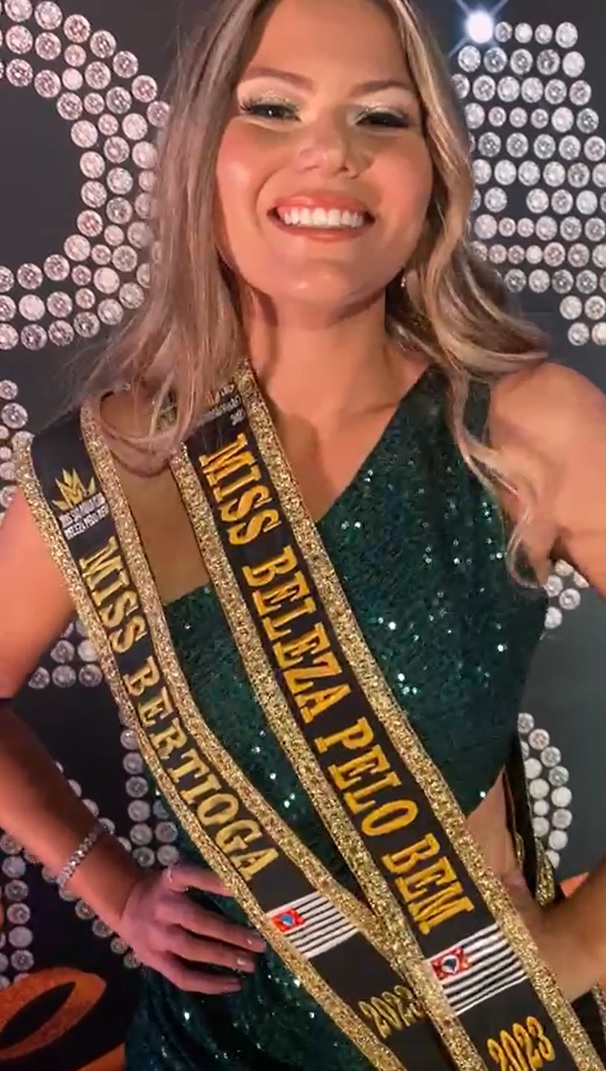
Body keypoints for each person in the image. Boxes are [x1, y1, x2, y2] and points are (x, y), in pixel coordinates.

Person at [2, 0, 606, 1067]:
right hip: (204, 1046)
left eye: (381, 117)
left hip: (467, 1040)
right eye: (273, 108)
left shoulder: (528, 430)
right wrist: (108, 880)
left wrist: (583, 941)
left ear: (433, 174)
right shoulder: (104, 466)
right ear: (204, 158)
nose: (330, 151)